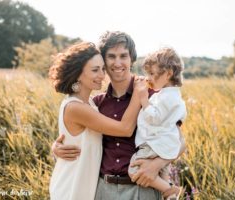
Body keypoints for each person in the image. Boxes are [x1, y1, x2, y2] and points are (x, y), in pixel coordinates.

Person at [52, 31, 180, 200]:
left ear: (131, 59)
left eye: (123, 56)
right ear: (103, 60)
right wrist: (56, 148)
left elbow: (180, 141)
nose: (118, 63)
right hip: (102, 190)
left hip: (142, 189)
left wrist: (156, 165)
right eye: (111, 56)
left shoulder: (152, 96)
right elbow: (78, 135)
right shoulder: (95, 104)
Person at [48, 41, 143, 200]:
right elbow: (125, 129)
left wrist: (55, 147)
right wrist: (138, 93)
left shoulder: (92, 103)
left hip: (88, 185)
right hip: (72, 185)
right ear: (78, 74)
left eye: (102, 69)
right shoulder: (75, 107)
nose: (102, 75)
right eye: (95, 70)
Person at [128, 47, 187, 199]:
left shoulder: (166, 97)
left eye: (153, 74)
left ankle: (170, 190)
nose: (149, 78)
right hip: (164, 144)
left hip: (154, 144)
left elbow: (154, 118)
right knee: (163, 173)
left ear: (168, 73)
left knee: (134, 170)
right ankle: (168, 193)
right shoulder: (172, 96)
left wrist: (143, 98)